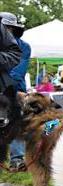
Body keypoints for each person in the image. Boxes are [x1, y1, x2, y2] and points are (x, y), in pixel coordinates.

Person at [0, 13, 29, 172]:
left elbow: (18, 70)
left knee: (16, 123)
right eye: (6, 27)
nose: (8, 30)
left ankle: (17, 159)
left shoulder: (24, 47)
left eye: (11, 28)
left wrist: (12, 89)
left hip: (15, 89)